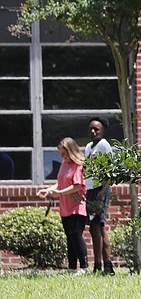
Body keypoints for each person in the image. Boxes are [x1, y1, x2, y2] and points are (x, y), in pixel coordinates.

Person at [37, 137, 89, 275]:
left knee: (76, 234)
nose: (63, 157)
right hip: (65, 206)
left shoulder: (79, 165)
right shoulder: (64, 164)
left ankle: (84, 267)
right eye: (61, 155)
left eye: (64, 154)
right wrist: (48, 190)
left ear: (71, 151)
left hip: (77, 205)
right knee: (69, 237)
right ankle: (72, 268)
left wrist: (59, 193)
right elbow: (60, 184)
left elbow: (78, 186)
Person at [84, 117, 115, 275]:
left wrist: (103, 192)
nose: (93, 131)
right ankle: (105, 266)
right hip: (90, 190)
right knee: (95, 228)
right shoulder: (89, 147)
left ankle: (100, 265)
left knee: (98, 226)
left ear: (103, 130)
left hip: (100, 189)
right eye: (91, 128)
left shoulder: (104, 145)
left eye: (96, 129)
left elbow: (110, 171)